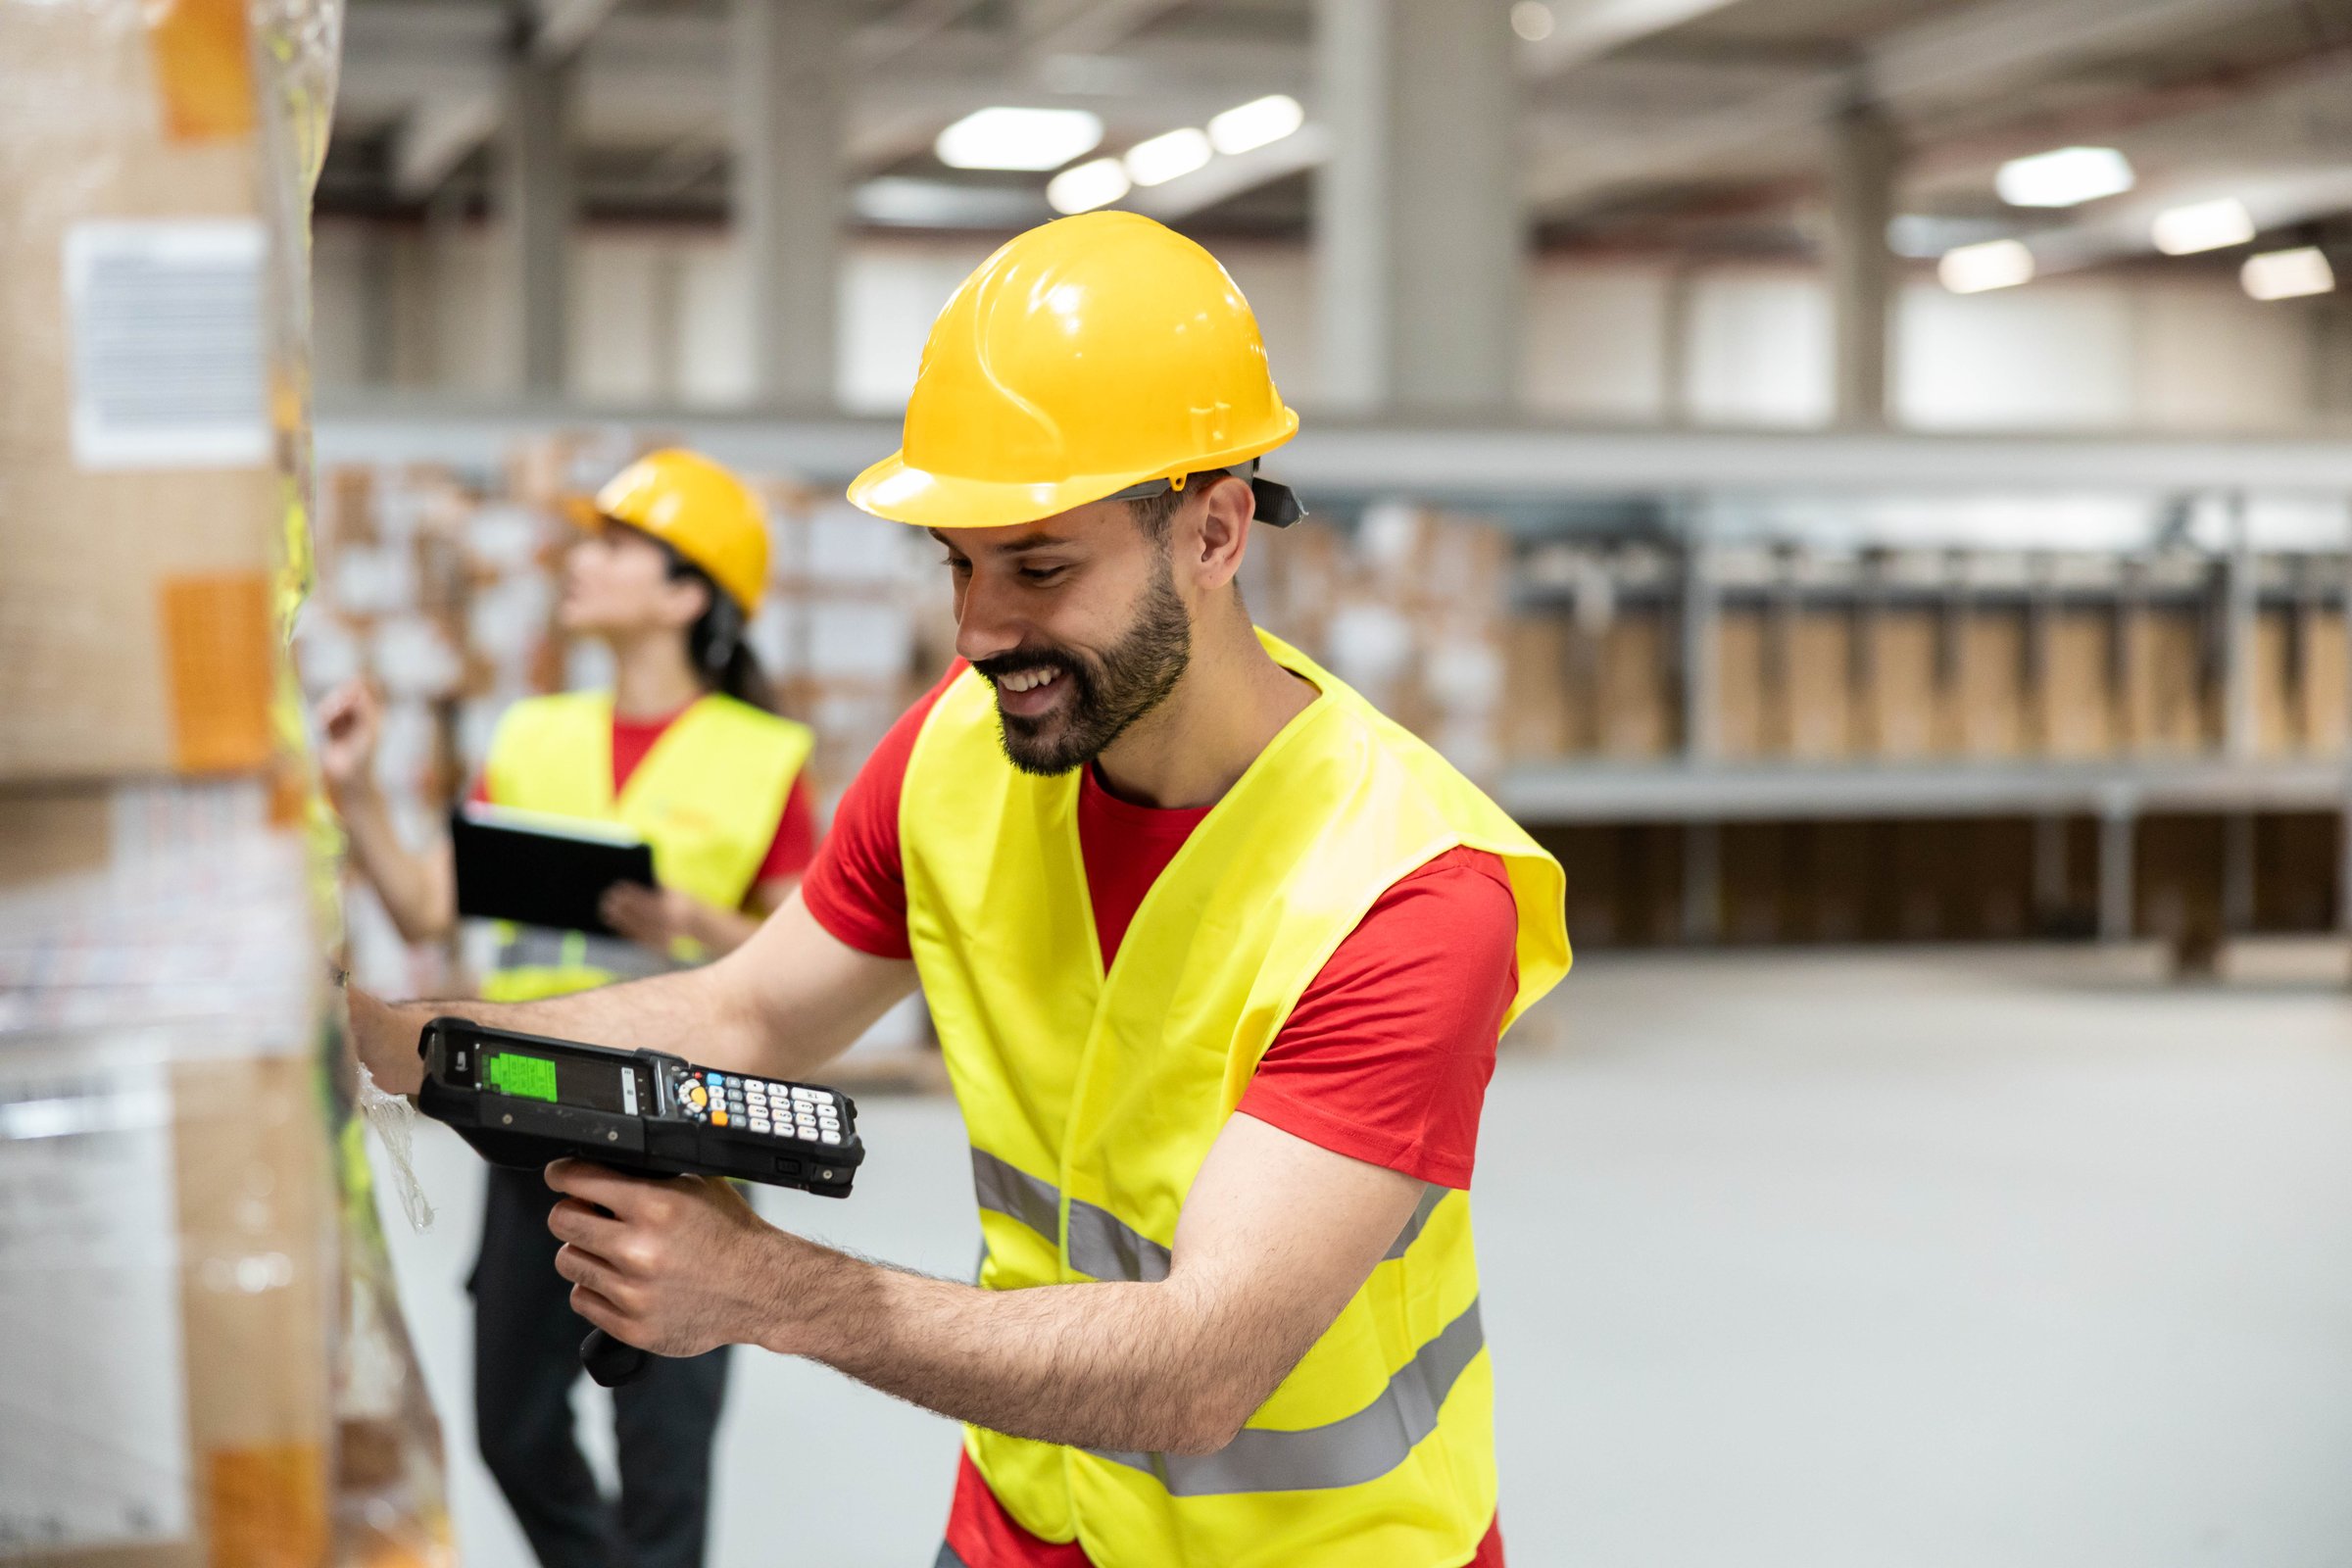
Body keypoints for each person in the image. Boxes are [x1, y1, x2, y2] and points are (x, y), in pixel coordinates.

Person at [352, 213, 1571, 1568]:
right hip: (1022, 1526)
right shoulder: (957, 753)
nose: (983, 633)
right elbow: (748, 1019)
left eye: (1041, 567)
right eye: (960, 565)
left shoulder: (1408, 890)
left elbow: (1200, 1369)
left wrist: (768, 1291)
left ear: (1216, 532)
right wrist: (390, 1042)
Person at [322, 448, 817, 1568]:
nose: (577, 562)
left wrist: (688, 916)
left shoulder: (761, 757)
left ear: (688, 593)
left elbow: (809, 954)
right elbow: (422, 904)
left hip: (682, 1131)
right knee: (513, 1429)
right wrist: (351, 787)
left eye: (610, 544)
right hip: (530, 1115)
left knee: (665, 1457)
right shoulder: (534, 736)